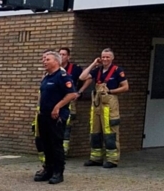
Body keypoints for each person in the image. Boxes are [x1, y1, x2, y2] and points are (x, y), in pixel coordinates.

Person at [33, 46, 83, 176]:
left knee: (56, 144)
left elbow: (72, 94)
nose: (44, 61)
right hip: (43, 115)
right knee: (46, 144)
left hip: (56, 116)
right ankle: (48, 169)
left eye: (47, 59)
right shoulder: (46, 77)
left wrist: (57, 107)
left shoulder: (62, 76)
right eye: (44, 59)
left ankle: (58, 172)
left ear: (56, 61)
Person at [78, 48, 128, 168]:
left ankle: (112, 159)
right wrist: (93, 64)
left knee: (110, 132)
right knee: (95, 132)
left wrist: (111, 91)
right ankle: (96, 158)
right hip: (96, 104)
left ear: (112, 58)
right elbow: (82, 77)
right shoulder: (97, 70)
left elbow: (125, 87)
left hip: (110, 105)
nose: (105, 59)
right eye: (103, 57)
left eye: (107, 57)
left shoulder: (117, 71)